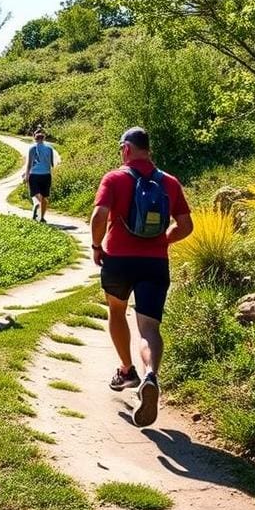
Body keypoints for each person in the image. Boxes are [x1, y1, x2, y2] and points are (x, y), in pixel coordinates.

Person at [89, 127, 193, 427]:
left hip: (119, 260)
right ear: (148, 149)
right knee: (149, 327)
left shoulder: (115, 178)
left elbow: (98, 217)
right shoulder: (170, 183)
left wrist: (97, 246)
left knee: (117, 311)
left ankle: (126, 369)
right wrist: (163, 240)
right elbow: (186, 226)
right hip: (155, 263)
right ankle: (150, 375)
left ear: (126, 149)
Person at [22, 129, 56, 222]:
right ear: (44, 138)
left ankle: (36, 202)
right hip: (46, 175)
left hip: (35, 174)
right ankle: (42, 217)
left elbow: (29, 164)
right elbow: (52, 163)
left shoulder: (32, 148)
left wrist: (26, 175)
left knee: (34, 193)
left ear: (34, 138)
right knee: (45, 197)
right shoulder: (49, 148)